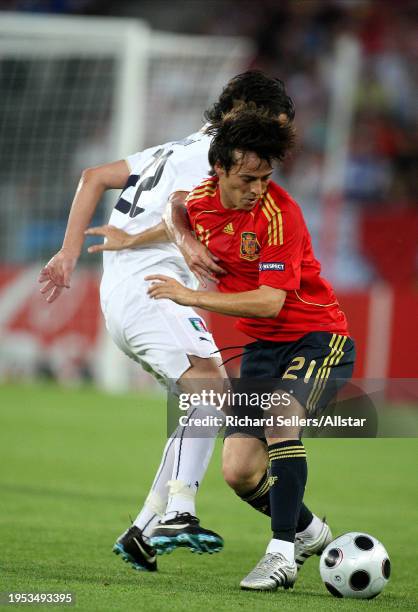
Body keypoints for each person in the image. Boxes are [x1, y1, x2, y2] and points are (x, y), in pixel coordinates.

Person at [38, 71, 298, 573]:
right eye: (270, 127)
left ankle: (144, 527)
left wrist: (70, 254)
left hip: (126, 290)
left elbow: (94, 175)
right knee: (210, 389)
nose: (273, 149)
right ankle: (179, 511)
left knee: (207, 393)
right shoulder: (213, 159)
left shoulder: (175, 148)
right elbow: (181, 213)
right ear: (240, 112)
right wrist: (190, 245)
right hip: (150, 288)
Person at [141, 107, 356, 591]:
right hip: (263, 350)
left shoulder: (280, 216)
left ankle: (280, 553)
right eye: (246, 178)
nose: (257, 188)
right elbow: (174, 206)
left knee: (282, 416)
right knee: (238, 471)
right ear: (218, 171)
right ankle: (308, 530)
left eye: (265, 177)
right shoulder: (202, 199)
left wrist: (191, 293)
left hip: (319, 337)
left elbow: (268, 302)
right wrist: (186, 242)